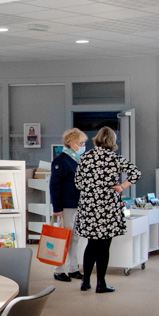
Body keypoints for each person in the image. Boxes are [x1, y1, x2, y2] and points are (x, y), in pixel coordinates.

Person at [73, 125, 140, 293]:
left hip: (89, 206)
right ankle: (101, 283)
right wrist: (122, 186)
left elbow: (78, 183)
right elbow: (135, 173)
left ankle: (85, 281)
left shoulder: (85, 157)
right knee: (104, 247)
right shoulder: (115, 158)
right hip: (108, 207)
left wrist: (91, 189)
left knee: (91, 244)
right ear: (112, 140)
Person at [49, 129, 86, 282]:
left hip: (78, 204)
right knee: (63, 239)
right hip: (66, 205)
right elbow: (54, 185)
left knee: (75, 238)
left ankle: (73, 268)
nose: (83, 146)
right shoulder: (61, 161)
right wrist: (57, 207)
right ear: (71, 143)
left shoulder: (77, 160)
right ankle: (58, 270)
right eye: (80, 143)